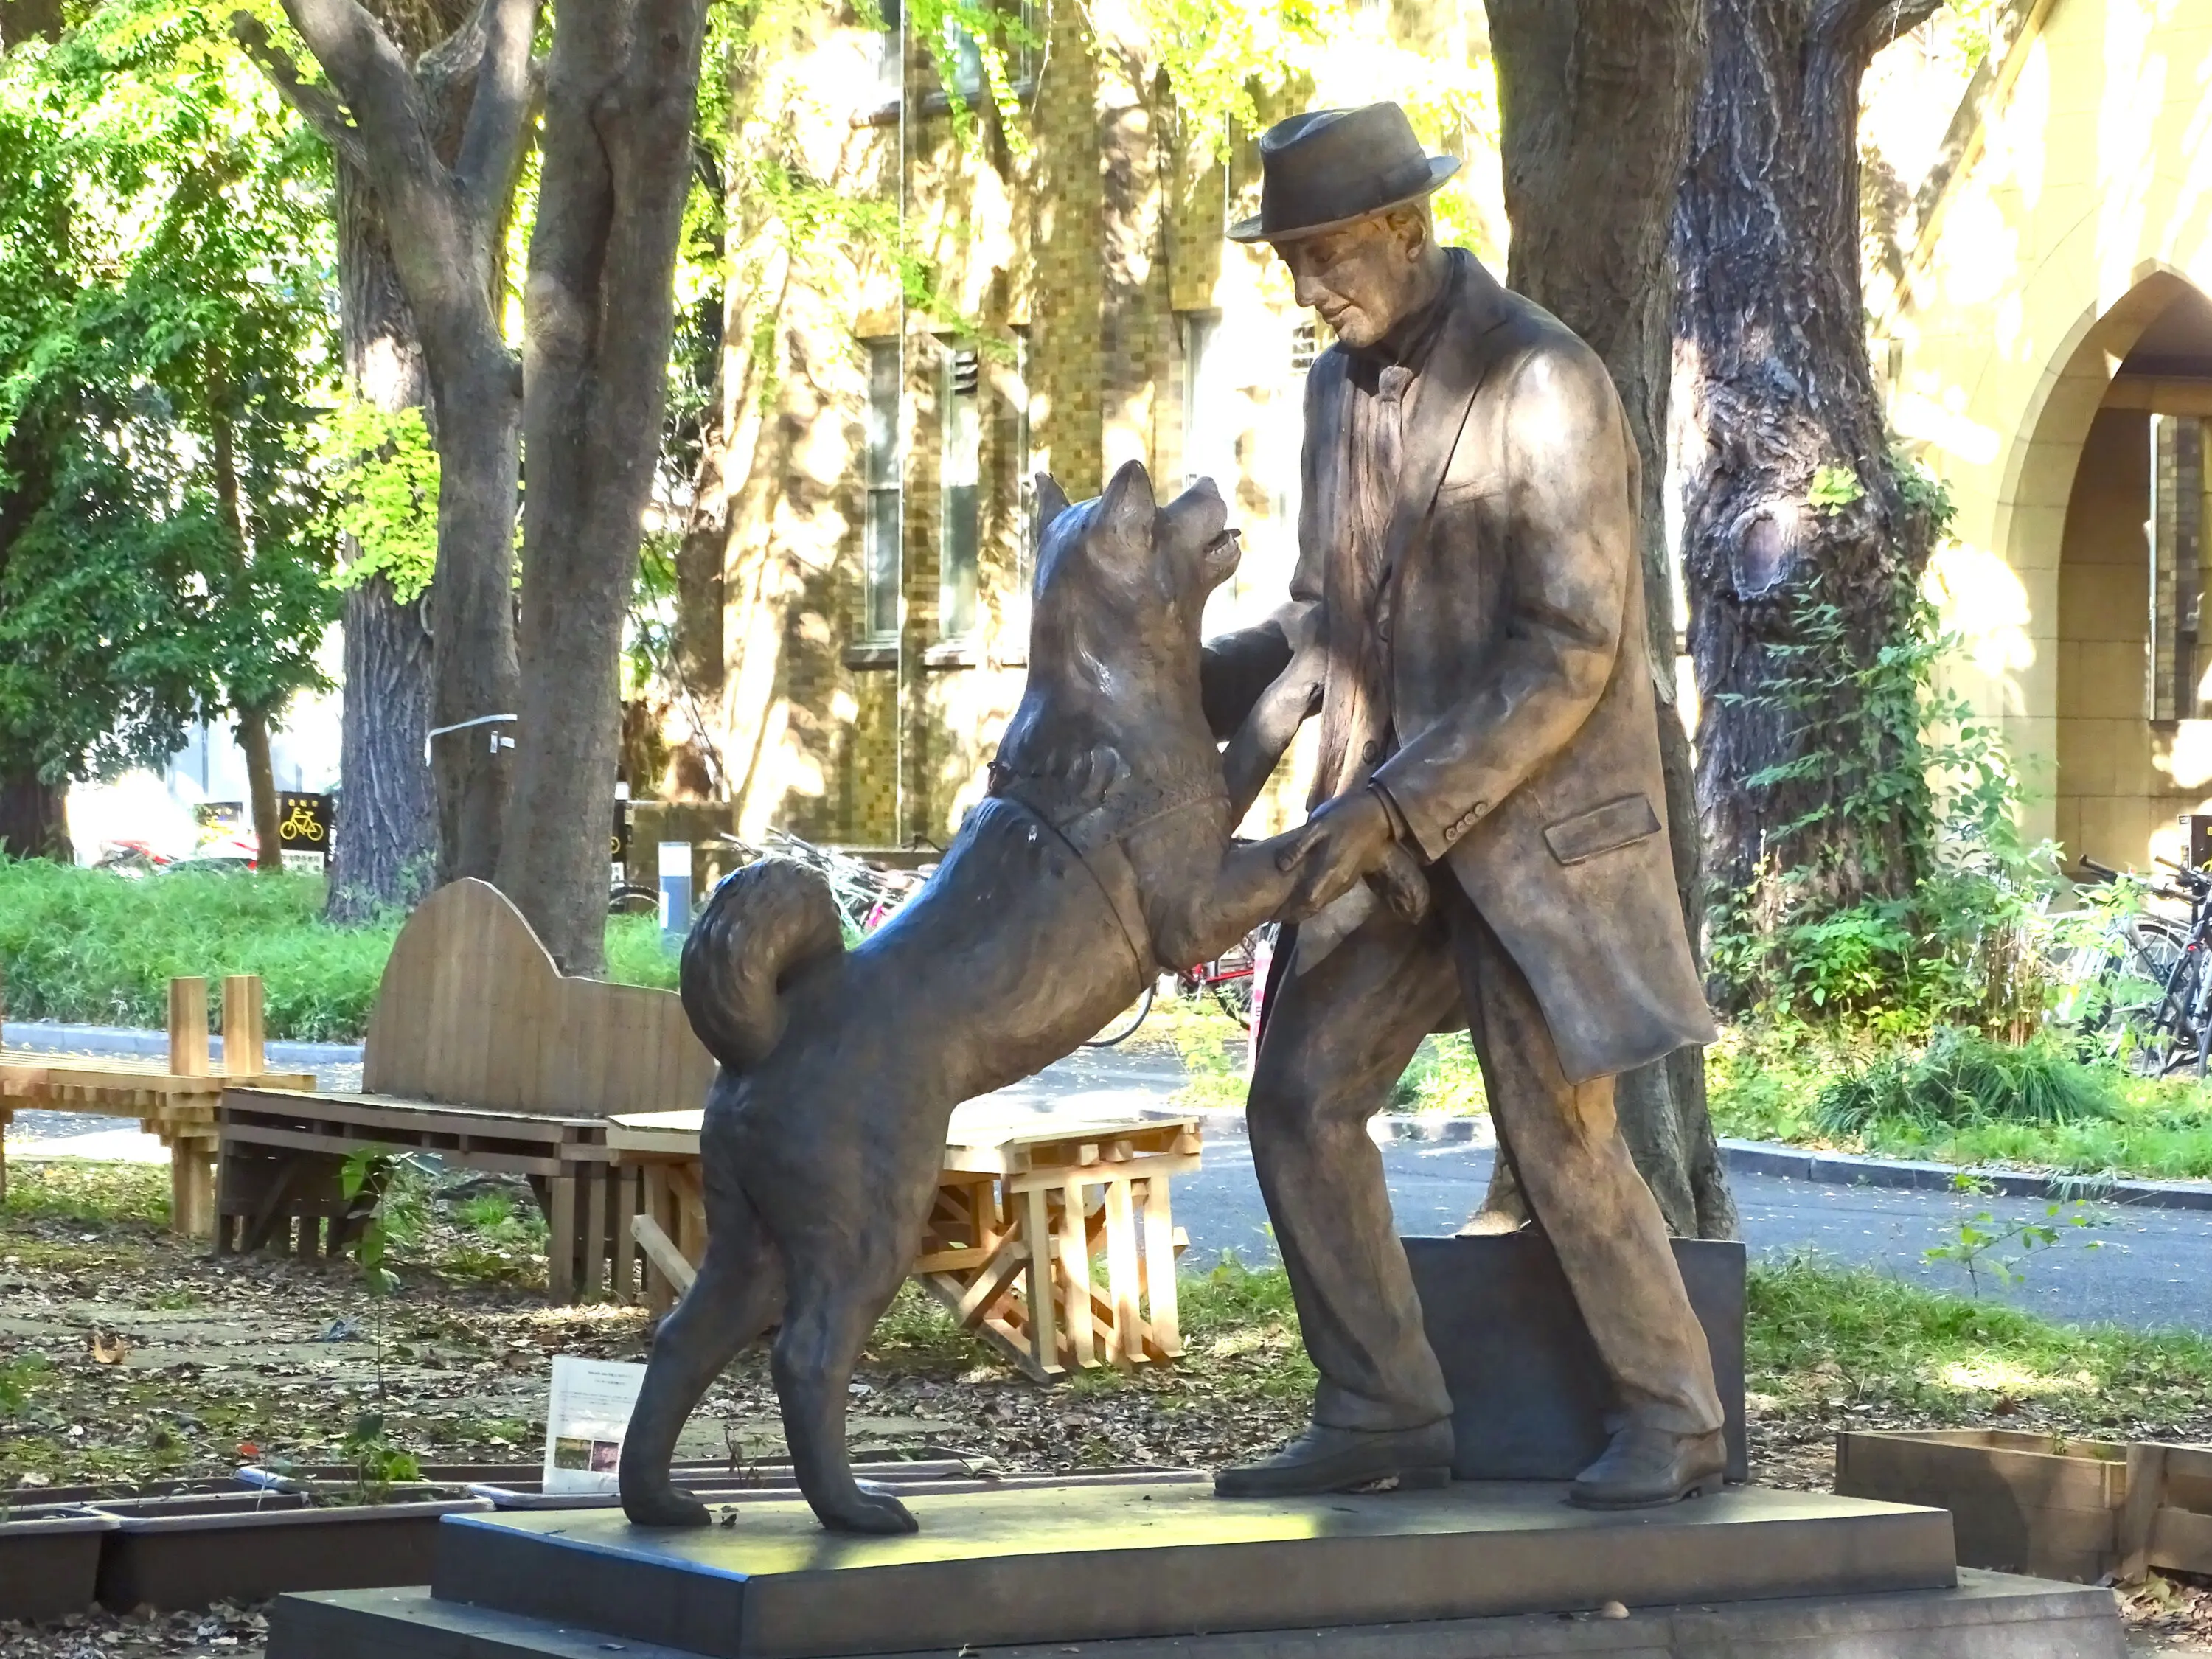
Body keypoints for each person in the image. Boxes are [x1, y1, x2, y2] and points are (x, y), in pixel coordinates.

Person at [1202, 102, 1727, 1509]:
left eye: (1326, 254)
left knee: (1561, 1134)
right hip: (1383, 834)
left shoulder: (1546, 382)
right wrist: (1187, 718)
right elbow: (1323, 621)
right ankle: (1383, 1407)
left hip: (1531, 841)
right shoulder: (1330, 395)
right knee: (1298, 1100)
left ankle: (1677, 1417)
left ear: (1403, 225)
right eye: (1292, 262)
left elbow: (1568, 653)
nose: (1312, 288)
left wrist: (1385, 807)